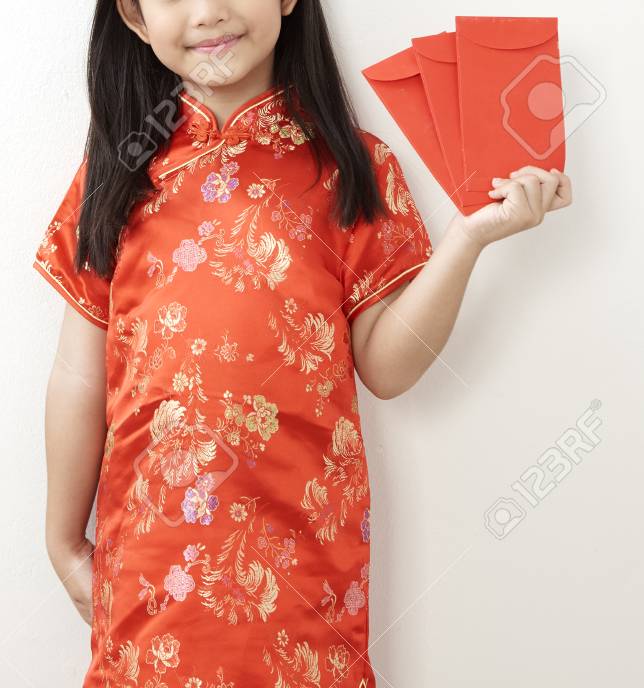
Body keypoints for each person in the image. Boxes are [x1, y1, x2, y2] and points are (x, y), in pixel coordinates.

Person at [32, 1, 573, 686]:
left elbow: (386, 367)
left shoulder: (351, 167)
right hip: (150, 573)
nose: (209, 12)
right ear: (135, 19)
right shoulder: (117, 172)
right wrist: (62, 541)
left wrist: (469, 239)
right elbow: (78, 379)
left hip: (303, 572)